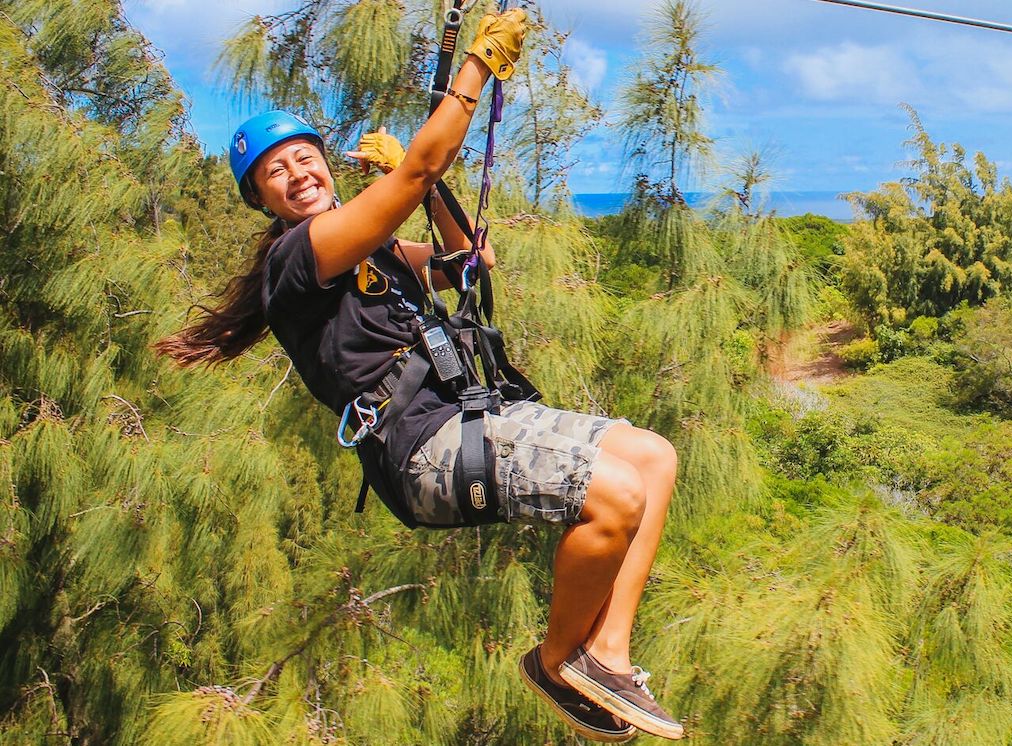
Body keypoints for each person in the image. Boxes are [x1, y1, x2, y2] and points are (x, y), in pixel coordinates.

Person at [154, 9, 683, 742]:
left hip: (472, 413)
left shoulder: (371, 251)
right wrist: (474, 72)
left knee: (654, 457)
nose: (297, 174)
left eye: (304, 158)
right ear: (263, 200)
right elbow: (421, 167)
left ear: (326, 166)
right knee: (614, 494)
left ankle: (607, 653)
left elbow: (471, 259)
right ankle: (557, 661)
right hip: (421, 448)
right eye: (276, 172)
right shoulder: (298, 258)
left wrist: (422, 188)